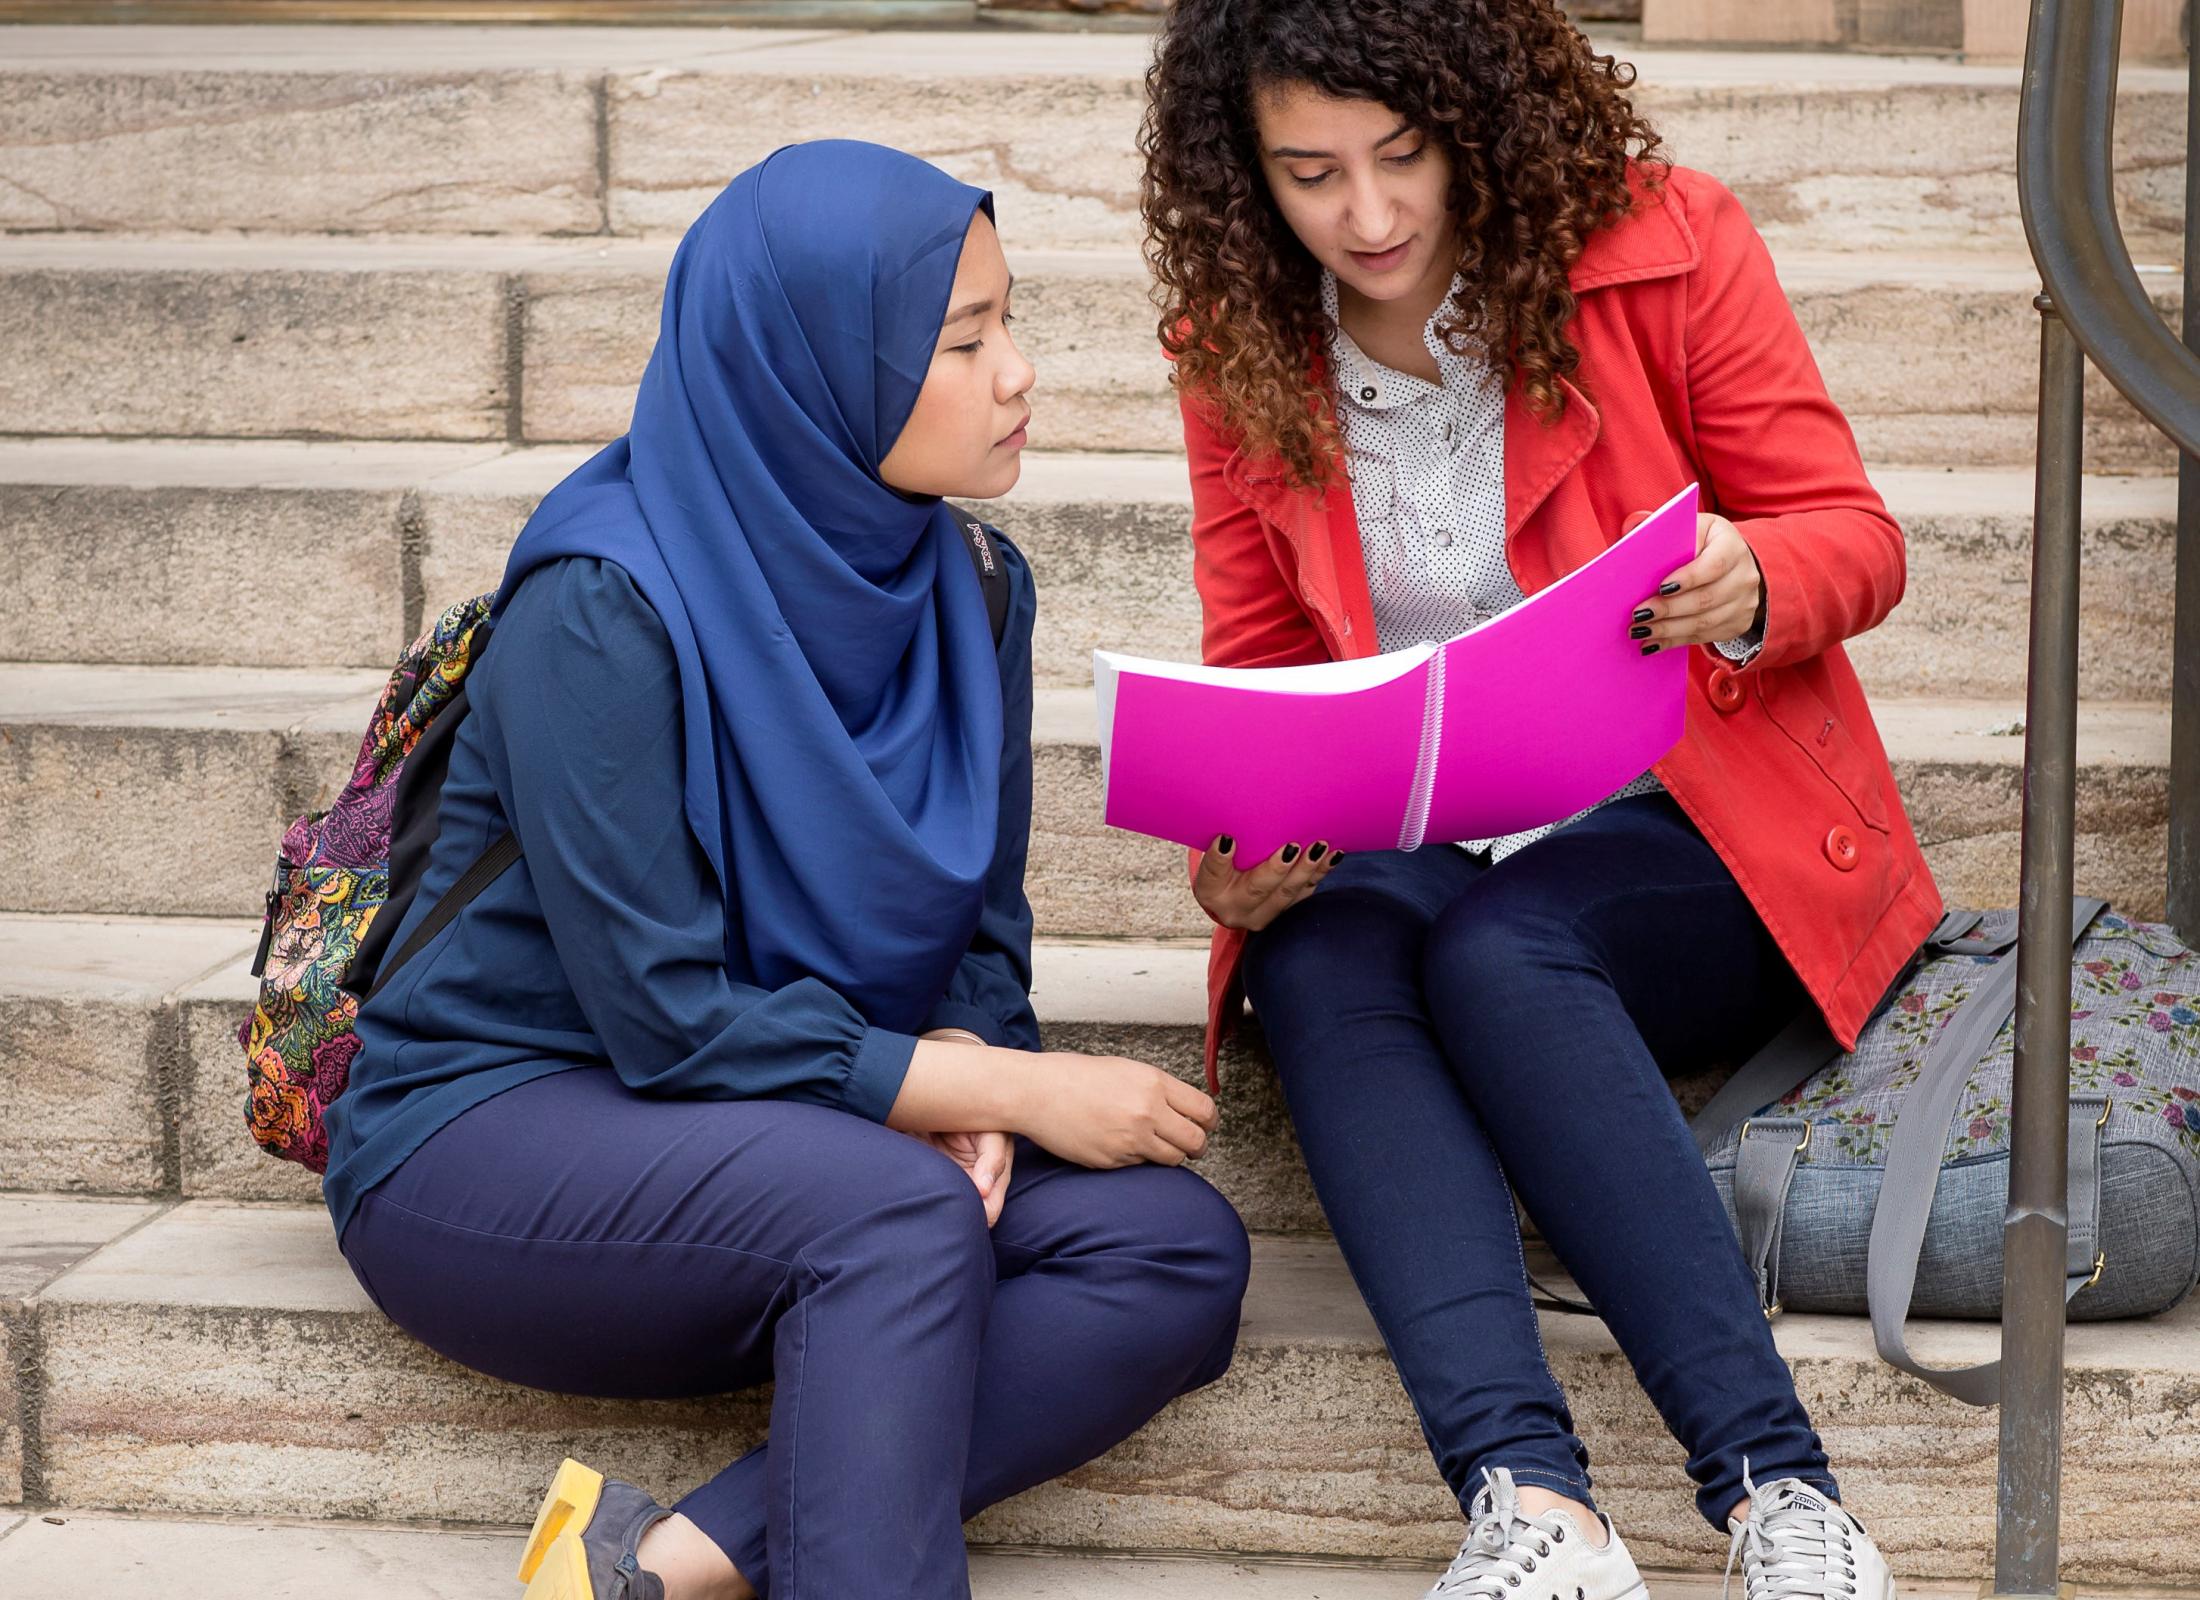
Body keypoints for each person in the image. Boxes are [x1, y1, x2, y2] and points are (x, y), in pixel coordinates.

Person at [320, 141, 1250, 1600]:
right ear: (810, 366)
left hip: (794, 1134)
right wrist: (994, 1089)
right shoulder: (601, 605)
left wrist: (968, 1067)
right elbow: (666, 1017)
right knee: (897, 1217)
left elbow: (980, 938)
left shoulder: (975, 593)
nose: (1018, 374)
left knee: (1172, 1248)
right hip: (497, 1130)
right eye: (964, 340)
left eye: (1008, 324)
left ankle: (664, 1558)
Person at [1139, 4, 1939, 1598]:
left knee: (1509, 948)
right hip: (1428, 824)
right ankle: (1534, 1509)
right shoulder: (1239, 340)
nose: (1365, 217)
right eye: (1309, 175)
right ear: (1246, 176)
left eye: (1403, 158)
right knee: (1319, 958)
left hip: (1703, 821)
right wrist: (1233, 859)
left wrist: (1757, 572)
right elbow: (1262, 663)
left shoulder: (1666, 244)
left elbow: (1856, 533)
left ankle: (1784, 1494)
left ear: (1476, 119)